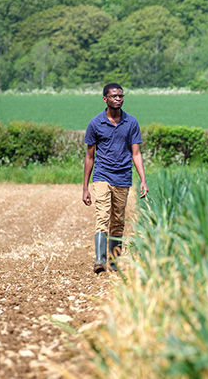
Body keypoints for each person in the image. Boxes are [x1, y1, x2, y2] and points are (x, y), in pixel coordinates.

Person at [82, 83, 148, 274]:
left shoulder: (131, 122)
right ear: (105, 99)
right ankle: (100, 260)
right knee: (102, 215)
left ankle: (114, 261)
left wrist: (143, 180)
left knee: (118, 220)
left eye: (121, 96)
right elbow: (89, 157)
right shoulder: (95, 123)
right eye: (114, 96)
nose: (118, 99)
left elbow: (136, 154)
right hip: (102, 175)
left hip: (123, 176)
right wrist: (85, 187)